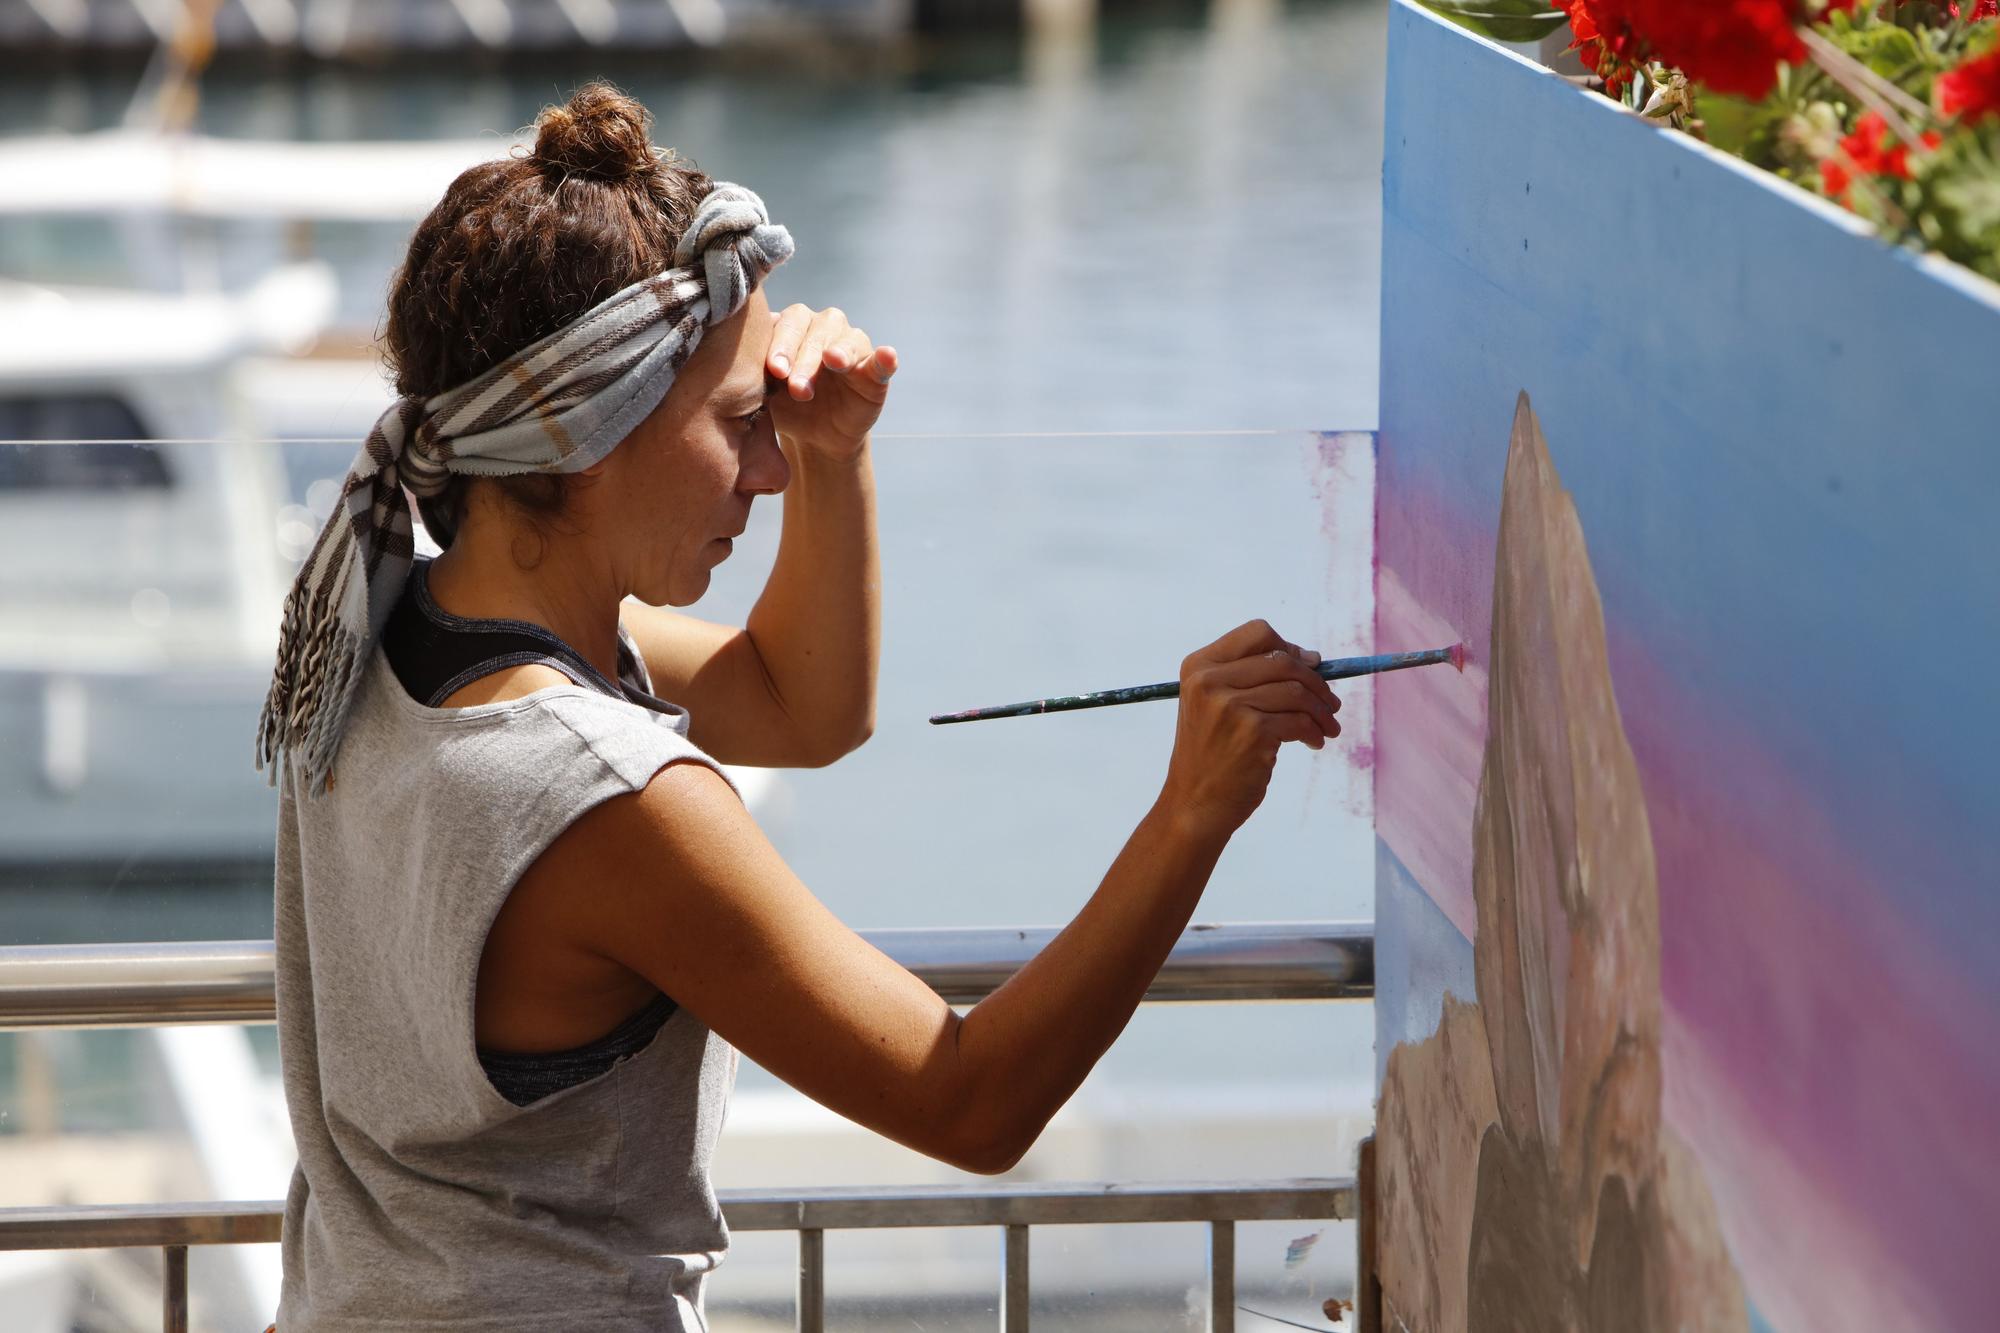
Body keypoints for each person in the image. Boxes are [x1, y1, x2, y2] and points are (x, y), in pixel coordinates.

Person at [255, 81, 1344, 1333]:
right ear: (587, 433)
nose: (767, 472)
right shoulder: (603, 798)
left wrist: (837, 453)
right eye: (740, 426)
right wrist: (1192, 812)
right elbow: (968, 1102)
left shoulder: (384, 626)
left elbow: (802, 707)